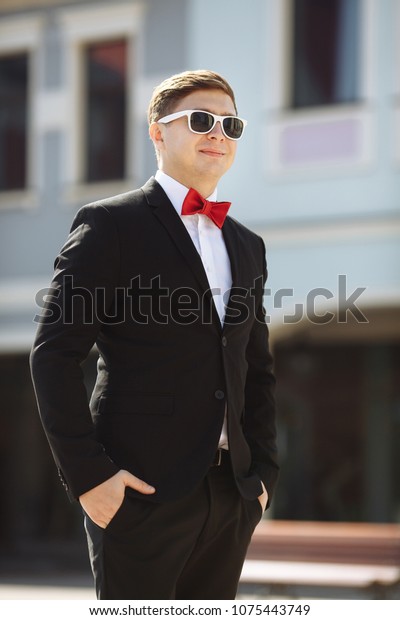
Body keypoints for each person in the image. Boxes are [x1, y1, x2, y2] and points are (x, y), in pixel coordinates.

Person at [30, 69, 279, 600]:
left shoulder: (247, 244)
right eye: (201, 120)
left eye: (230, 124)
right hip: (138, 493)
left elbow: (256, 369)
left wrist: (262, 477)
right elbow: (53, 357)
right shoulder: (108, 224)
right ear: (158, 132)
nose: (218, 133)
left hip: (229, 498)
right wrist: (90, 478)